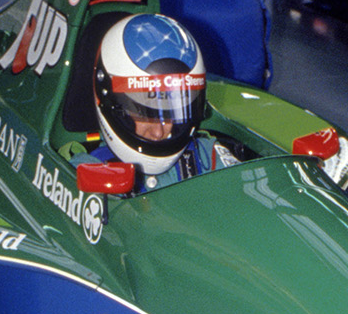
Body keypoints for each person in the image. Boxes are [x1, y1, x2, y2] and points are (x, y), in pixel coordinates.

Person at [68, 13, 240, 191]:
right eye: (145, 113)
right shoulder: (81, 173)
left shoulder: (207, 159)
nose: (158, 132)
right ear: (110, 102)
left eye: (172, 112)